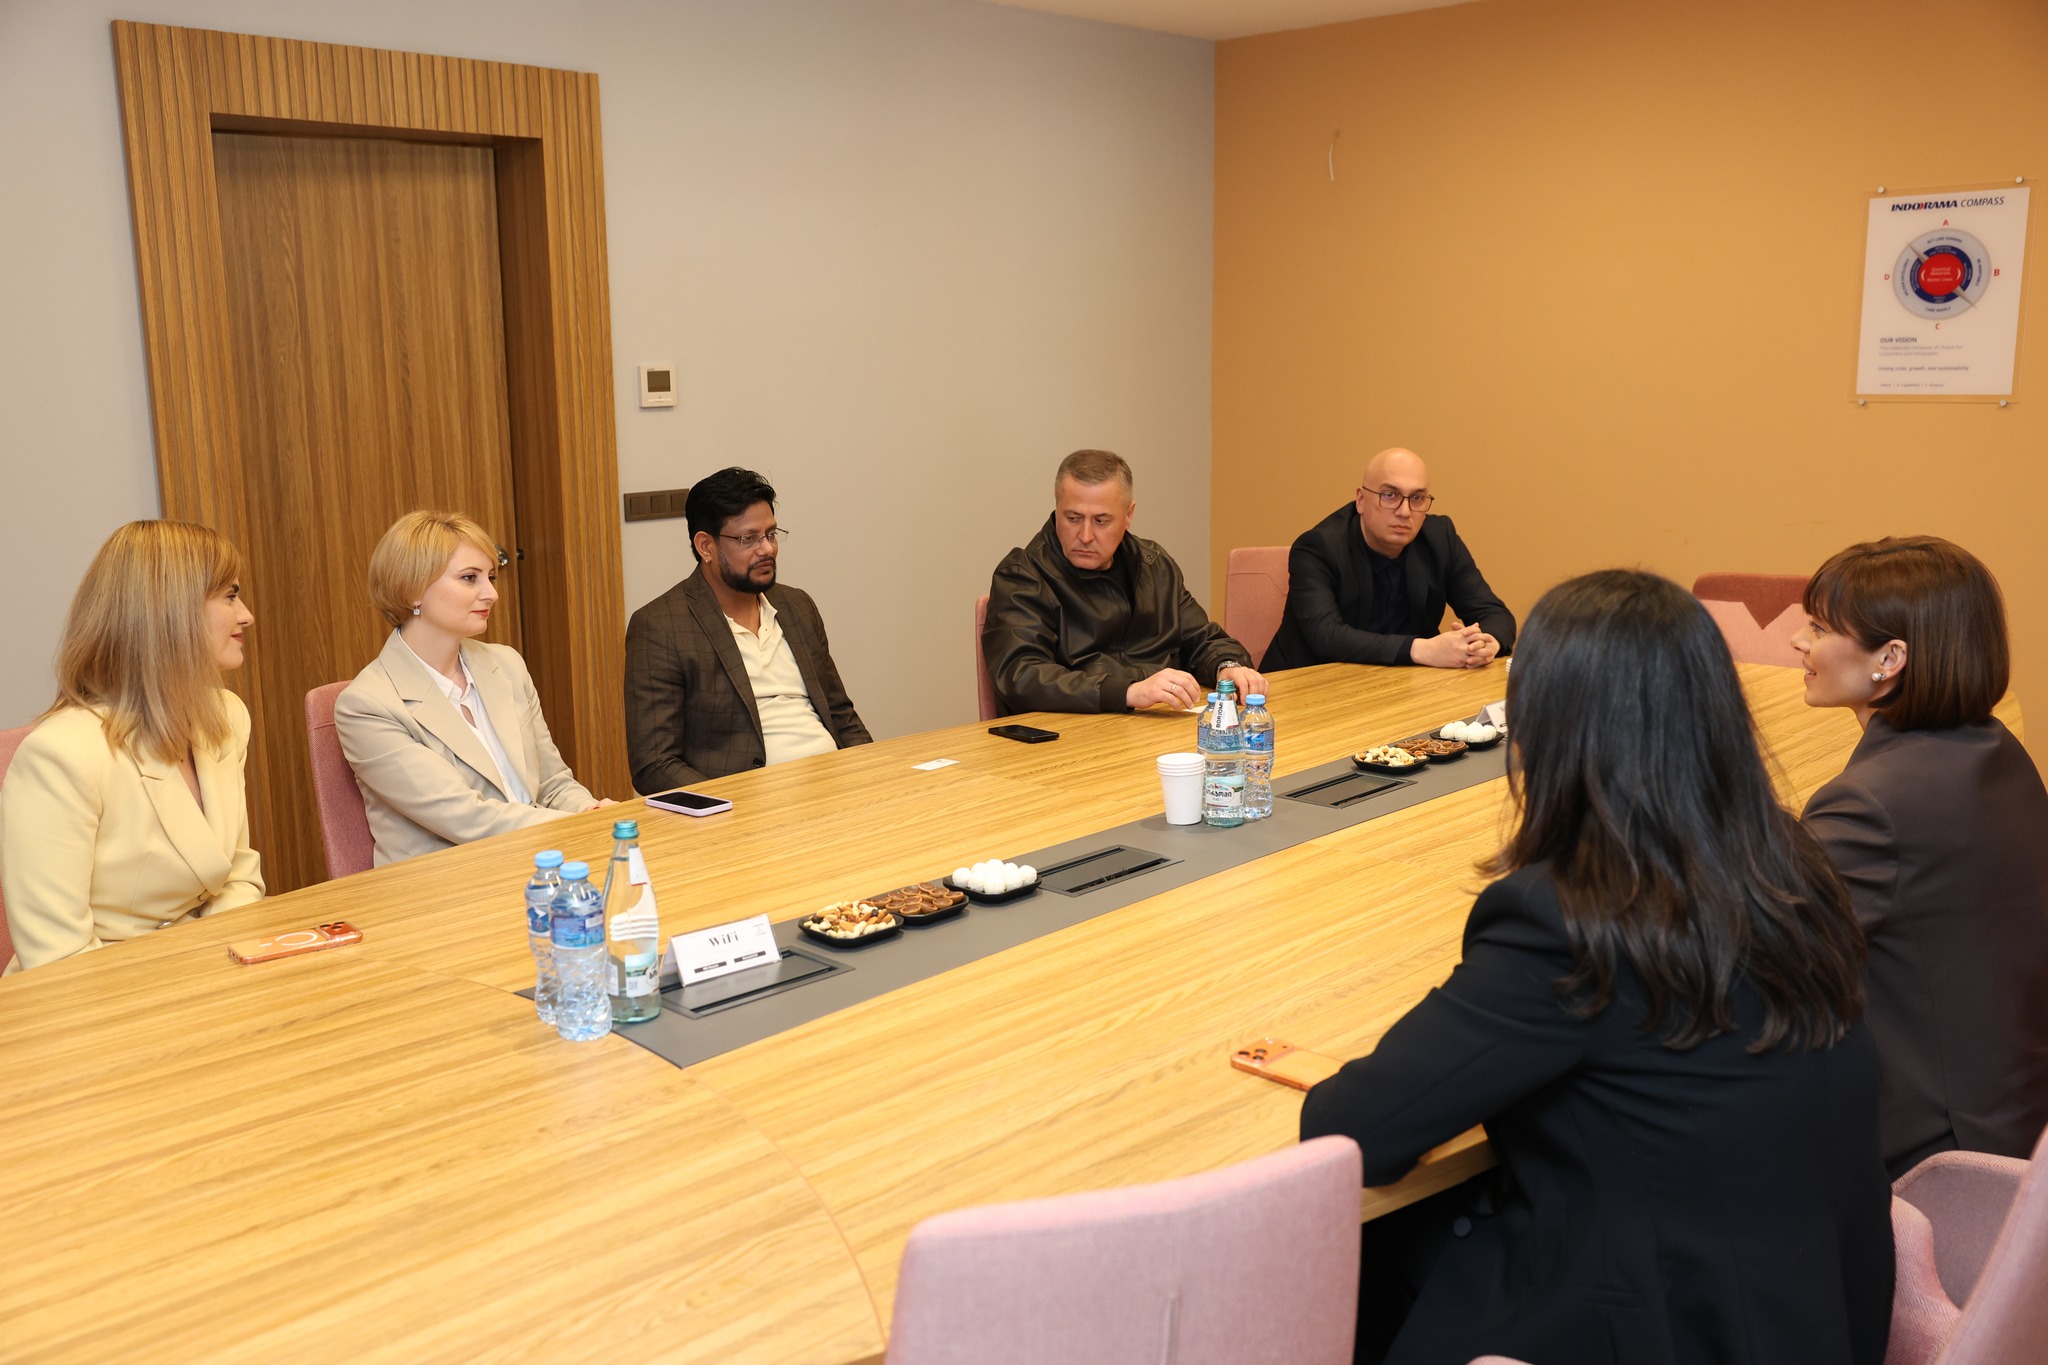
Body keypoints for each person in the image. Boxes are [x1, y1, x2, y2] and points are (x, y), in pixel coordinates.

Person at [1300, 570, 1890, 1365]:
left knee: (1355, 1263)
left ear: (1545, 729)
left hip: (1672, 1326)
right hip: (1815, 1315)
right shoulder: (1789, 861)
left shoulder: (1569, 917)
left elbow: (1351, 1131)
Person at [1793, 535, 2048, 1178]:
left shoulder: (1867, 804)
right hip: (2016, 1110)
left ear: (1890, 657)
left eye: (1819, 628)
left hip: (1933, 1150)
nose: (1798, 642)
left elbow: (1765, 957)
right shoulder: (1996, 748)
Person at [2, 521, 264, 972]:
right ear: (172, 612)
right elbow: (58, 961)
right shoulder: (61, 755)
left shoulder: (226, 716)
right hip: (97, 995)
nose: (246, 615)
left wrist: (223, 971)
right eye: (230, 595)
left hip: (211, 972)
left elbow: (238, 878)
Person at [335, 511, 606, 866]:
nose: (491, 594)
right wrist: (580, 827)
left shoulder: (507, 664)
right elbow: (467, 817)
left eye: (490, 577)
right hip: (448, 881)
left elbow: (553, 784)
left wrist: (591, 811)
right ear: (413, 589)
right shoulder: (366, 704)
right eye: (469, 578)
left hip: (541, 858)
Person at [625, 467, 871, 794]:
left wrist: (871, 775)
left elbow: (841, 715)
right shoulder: (661, 626)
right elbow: (654, 764)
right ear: (706, 546)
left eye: (771, 533)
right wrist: (732, 808)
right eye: (749, 539)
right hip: (747, 803)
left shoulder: (797, 605)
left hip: (833, 788)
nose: (767, 549)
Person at [983, 449, 1264, 713]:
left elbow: (1202, 638)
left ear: (1128, 516)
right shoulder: (1023, 575)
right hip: (1073, 732)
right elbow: (1022, 675)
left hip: (1158, 724)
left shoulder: (1154, 566)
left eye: (1101, 521)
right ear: (1057, 509)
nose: (1085, 536)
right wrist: (1127, 692)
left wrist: (1227, 666)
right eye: (1073, 518)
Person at [1262, 447, 1515, 671]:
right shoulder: (1318, 547)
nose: (1405, 512)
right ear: (1361, 500)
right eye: (1390, 495)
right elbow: (1327, 636)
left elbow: (1495, 614)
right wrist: (1423, 649)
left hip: (1399, 686)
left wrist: (1485, 645)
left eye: (1417, 498)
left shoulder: (1440, 539)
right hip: (1308, 686)